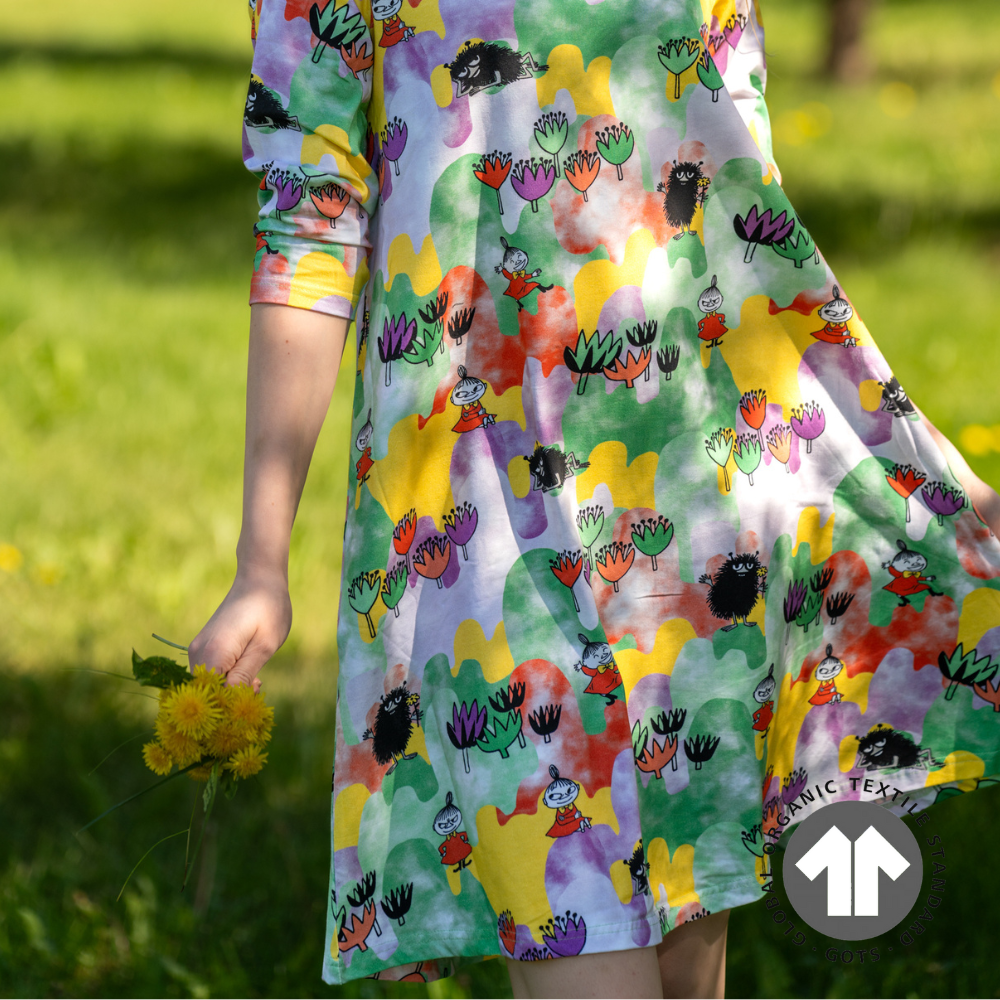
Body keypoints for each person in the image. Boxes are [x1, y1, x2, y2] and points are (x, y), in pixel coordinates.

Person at [189, 1, 1000, 997]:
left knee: (686, 953)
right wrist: (260, 562)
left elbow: (736, 188)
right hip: (476, 518)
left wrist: (903, 470)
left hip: (695, 498)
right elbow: (309, 220)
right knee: (580, 922)